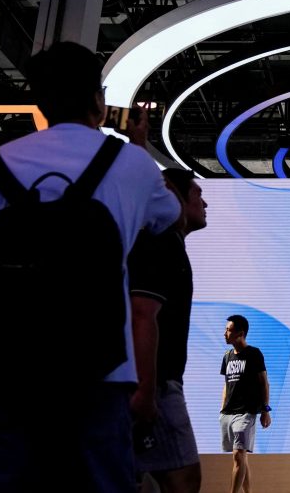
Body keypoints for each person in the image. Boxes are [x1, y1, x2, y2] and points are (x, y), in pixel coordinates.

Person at [0, 42, 181, 492]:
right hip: (99, 372)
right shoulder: (131, 163)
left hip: (5, 371)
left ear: (40, 102)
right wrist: (139, 147)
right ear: (98, 100)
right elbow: (170, 215)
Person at [128, 168, 208, 492]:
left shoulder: (164, 244)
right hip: (157, 384)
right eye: (198, 194)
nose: (205, 203)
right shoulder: (160, 244)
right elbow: (142, 314)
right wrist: (146, 390)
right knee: (183, 478)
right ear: (175, 198)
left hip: (155, 382)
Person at [220, 314, 271, 493]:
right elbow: (226, 385)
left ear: (240, 333)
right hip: (228, 412)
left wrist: (265, 410)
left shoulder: (254, 354)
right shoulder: (227, 356)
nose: (225, 333)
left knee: (238, 455)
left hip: (246, 412)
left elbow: (264, 383)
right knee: (241, 457)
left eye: (229, 330)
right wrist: (222, 409)